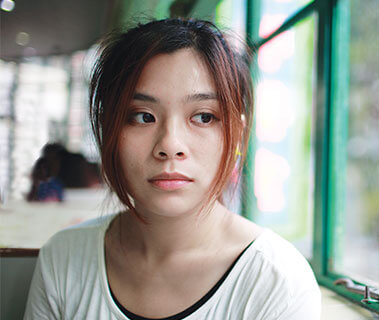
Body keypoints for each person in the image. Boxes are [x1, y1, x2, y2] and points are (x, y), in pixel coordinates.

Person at [24, 18, 321, 319]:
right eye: (142, 116)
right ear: (107, 130)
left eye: (204, 117)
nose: (170, 144)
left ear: (238, 136)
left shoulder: (277, 282)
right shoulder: (64, 258)